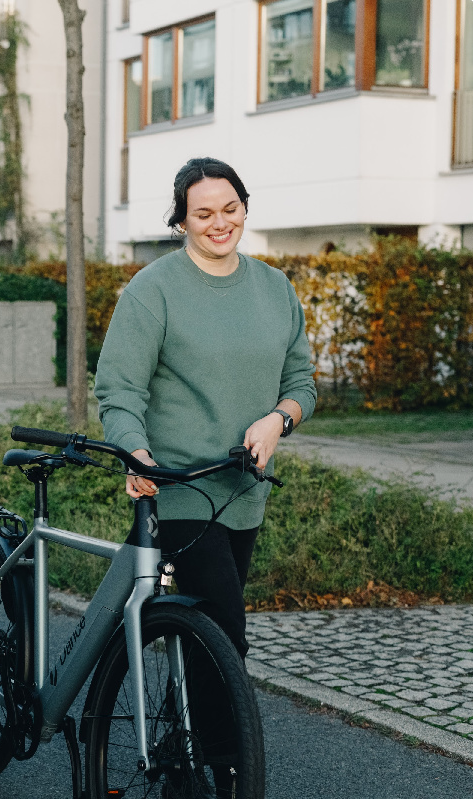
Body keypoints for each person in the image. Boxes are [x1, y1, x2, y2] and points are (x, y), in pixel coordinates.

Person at [94, 156, 316, 658]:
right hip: (177, 489)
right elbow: (119, 390)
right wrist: (135, 451)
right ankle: (224, 741)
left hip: (244, 487)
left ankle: (185, 733)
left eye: (230, 208)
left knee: (204, 640)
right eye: (203, 214)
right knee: (223, 637)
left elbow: (301, 384)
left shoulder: (275, 288)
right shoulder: (153, 291)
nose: (221, 223)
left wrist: (277, 420)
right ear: (181, 222)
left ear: (244, 208)